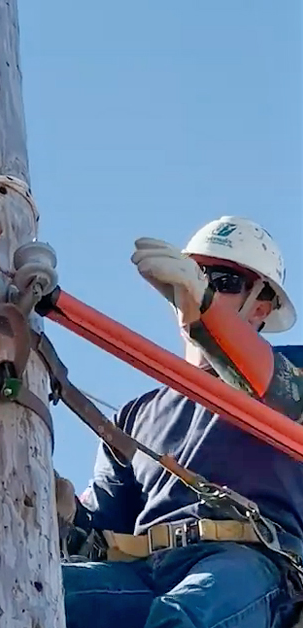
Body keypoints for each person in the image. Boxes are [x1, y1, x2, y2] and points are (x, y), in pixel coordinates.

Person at [56, 215, 303, 628]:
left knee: (181, 617)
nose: (200, 287)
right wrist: (57, 513)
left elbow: (278, 390)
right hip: (145, 571)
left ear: (262, 305)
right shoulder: (135, 417)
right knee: (37, 591)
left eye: (222, 281)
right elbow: (99, 536)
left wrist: (204, 311)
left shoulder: (292, 369)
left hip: (247, 565)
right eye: (195, 275)